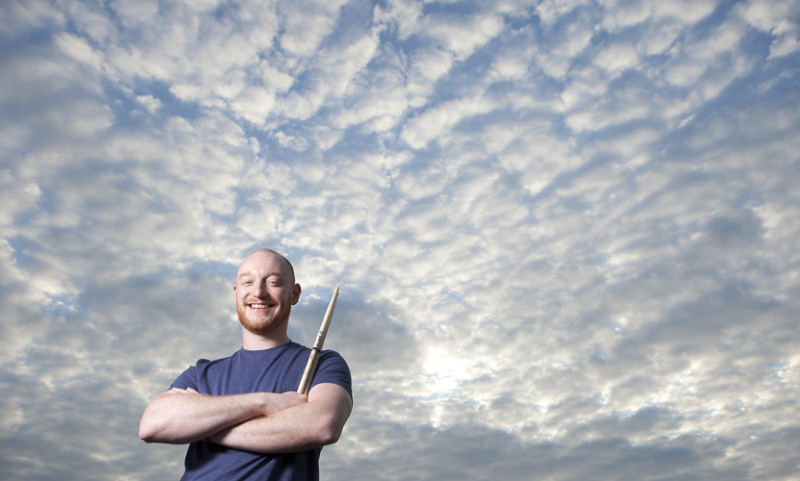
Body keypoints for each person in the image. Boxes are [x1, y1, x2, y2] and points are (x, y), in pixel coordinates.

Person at [139, 248, 353, 481]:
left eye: (272, 282)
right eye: (248, 282)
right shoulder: (201, 374)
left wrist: (210, 430)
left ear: (294, 294)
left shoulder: (323, 364)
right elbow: (152, 425)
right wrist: (265, 402)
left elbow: (321, 425)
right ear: (236, 293)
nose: (259, 292)